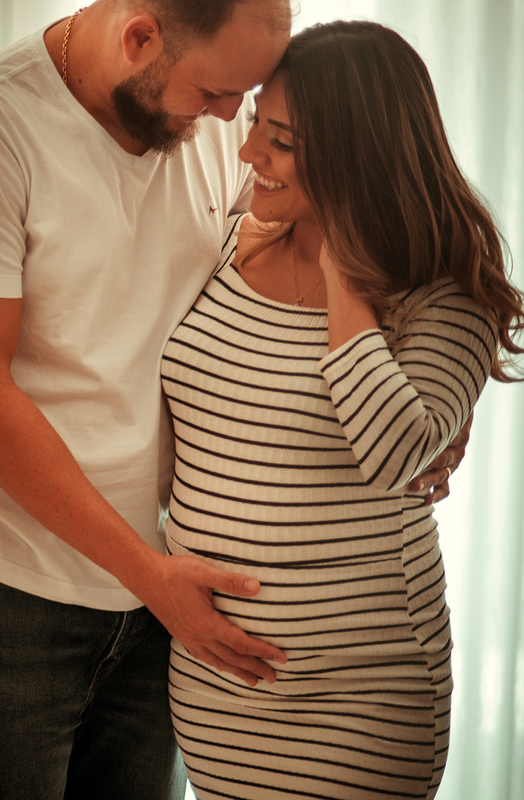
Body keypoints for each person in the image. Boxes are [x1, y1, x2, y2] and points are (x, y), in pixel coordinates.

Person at [0, 3, 461, 797]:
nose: (234, 125)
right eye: (219, 94)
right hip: (5, 594)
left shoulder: (208, 122)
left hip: (166, 603)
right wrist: (153, 577)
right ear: (140, 39)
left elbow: (341, 221)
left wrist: (440, 395)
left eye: (250, 102)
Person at [161, 20, 524, 800]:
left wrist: (344, 277)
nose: (248, 150)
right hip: (214, 677)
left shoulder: (444, 295)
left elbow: (394, 456)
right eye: (256, 122)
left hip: (361, 694)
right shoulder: (231, 243)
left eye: (281, 140)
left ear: (358, 155)